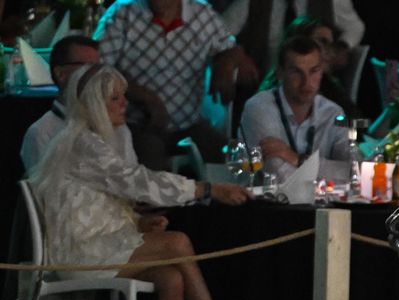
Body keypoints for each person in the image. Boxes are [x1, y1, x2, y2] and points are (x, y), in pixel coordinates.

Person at [29, 64, 270, 300]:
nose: (124, 103)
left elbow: (102, 202)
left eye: (124, 96)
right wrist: (205, 189)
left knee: (172, 277)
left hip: (96, 243)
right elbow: (137, 181)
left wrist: (138, 223)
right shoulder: (83, 143)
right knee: (178, 243)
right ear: (96, 104)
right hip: (76, 254)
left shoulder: (98, 139)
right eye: (115, 98)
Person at [94, 0, 258, 170]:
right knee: (152, 168)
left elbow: (229, 47)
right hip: (136, 124)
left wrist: (226, 63)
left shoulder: (201, 13)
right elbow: (97, 69)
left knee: (237, 163)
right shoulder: (122, 12)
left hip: (189, 123)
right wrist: (144, 96)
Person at [240, 35, 353, 182]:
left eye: (314, 71)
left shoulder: (334, 113)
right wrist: (328, 176)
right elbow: (278, 177)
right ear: (280, 73)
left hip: (322, 204)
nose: (306, 82)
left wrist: (297, 159)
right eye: (296, 72)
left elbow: (354, 171)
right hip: (262, 203)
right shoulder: (258, 108)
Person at [20, 36, 131, 172]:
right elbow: (42, 189)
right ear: (61, 74)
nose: (97, 75)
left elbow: (133, 177)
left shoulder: (117, 124)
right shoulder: (41, 132)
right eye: (88, 67)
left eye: (98, 67)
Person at [222, 0, 364, 78]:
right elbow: (220, 31)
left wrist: (342, 46)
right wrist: (236, 55)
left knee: (350, 121)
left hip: (314, 86)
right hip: (264, 83)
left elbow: (355, 27)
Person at [257, 15, 356, 116]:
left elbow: (358, 122)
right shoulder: (270, 97)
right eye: (322, 42)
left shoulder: (329, 85)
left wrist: (340, 124)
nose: (330, 51)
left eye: (331, 44)